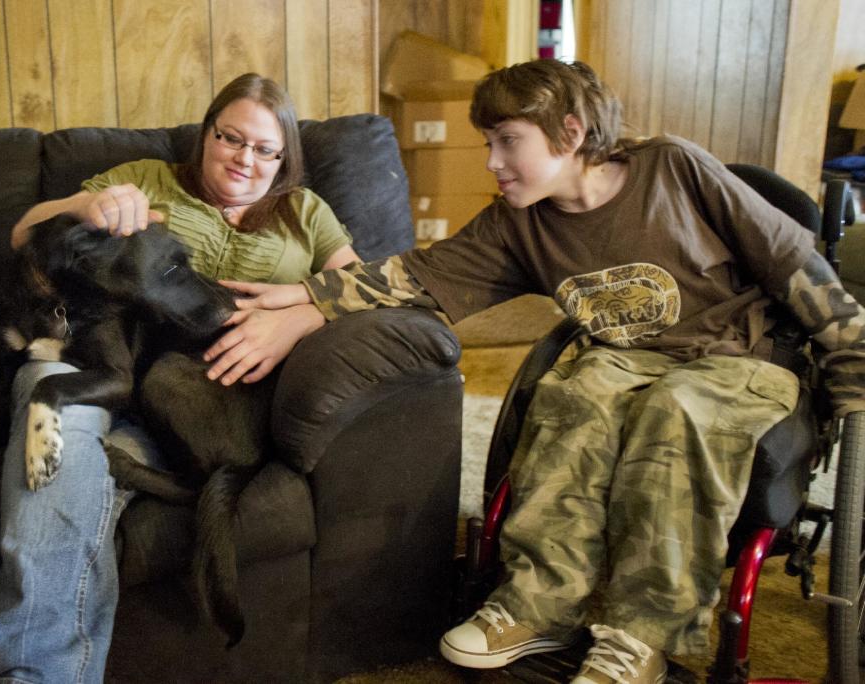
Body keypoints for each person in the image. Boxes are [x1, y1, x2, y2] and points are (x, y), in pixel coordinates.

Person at [222, 59, 865, 684]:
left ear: (571, 133)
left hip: (741, 355)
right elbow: (413, 275)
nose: (491, 162)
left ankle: (637, 640)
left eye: (508, 142)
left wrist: (851, 357)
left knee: (677, 413)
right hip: (624, 358)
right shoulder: (516, 224)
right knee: (574, 394)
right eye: (488, 142)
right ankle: (538, 607)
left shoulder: (671, 166)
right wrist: (309, 300)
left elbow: (791, 264)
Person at [0, 72, 359, 683]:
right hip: (90, 362)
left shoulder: (306, 212)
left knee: (68, 487)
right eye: (231, 138)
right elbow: (27, 233)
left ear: (284, 158)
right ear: (206, 134)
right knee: (51, 406)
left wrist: (303, 314)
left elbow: (364, 291)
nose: (245, 159)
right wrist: (80, 205)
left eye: (265, 149)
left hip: (199, 397)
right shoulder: (146, 180)